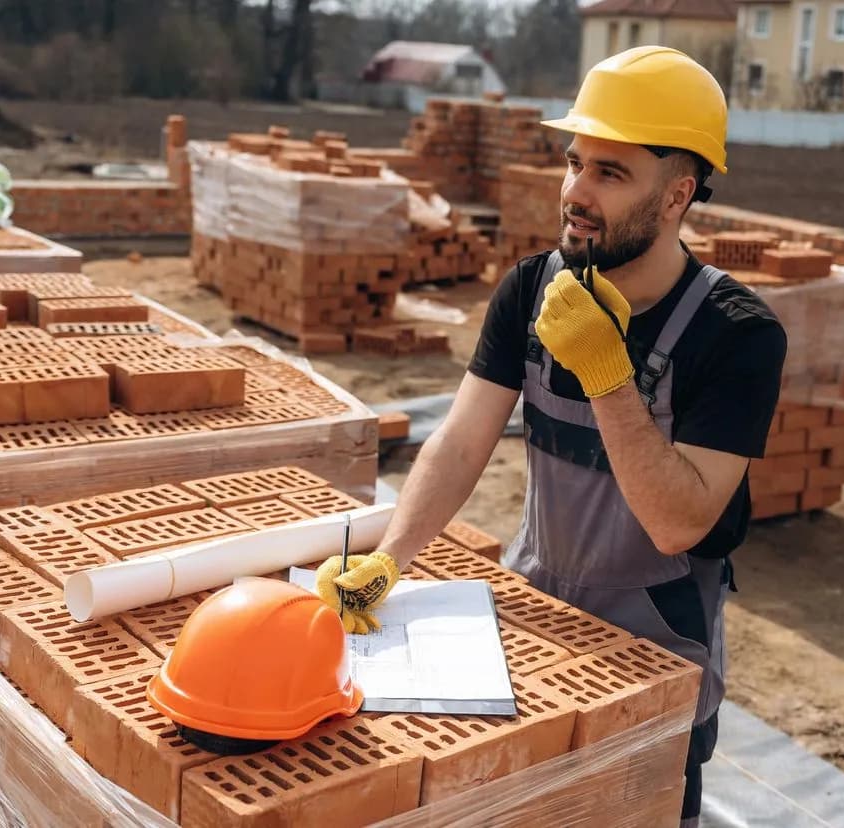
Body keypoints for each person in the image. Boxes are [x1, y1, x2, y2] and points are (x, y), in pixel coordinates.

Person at [317, 45, 788, 827]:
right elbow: (462, 442)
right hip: (535, 622)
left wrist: (608, 372)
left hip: (657, 653)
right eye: (575, 163)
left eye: (611, 173)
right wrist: (388, 560)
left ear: (676, 196)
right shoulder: (534, 287)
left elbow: (680, 520)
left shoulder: (736, 335)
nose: (576, 192)